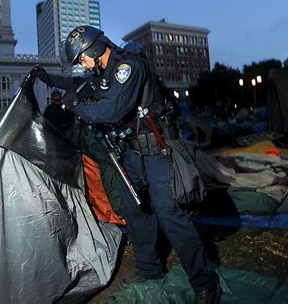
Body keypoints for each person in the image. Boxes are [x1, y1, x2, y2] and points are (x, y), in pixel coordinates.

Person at [32, 25, 222, 304]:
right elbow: (77, 86)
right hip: (131, 154)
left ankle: (204, 283)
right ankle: (150, 270)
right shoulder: (102, 73)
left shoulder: (129, 68)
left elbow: (110, 109)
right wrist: (48, 78)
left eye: (82, 58)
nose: (82, 65)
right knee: (136, 213)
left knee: (169, 214)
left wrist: (73, 106)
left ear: (94, 48)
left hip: (158, 152)